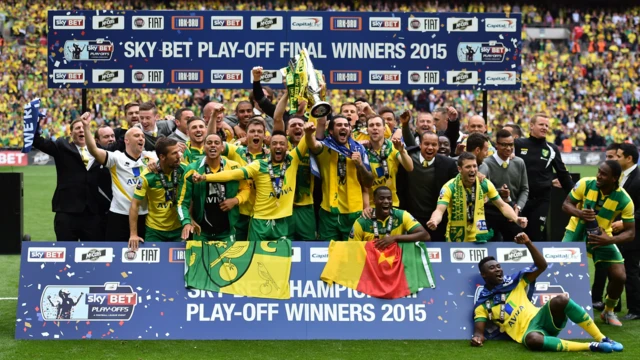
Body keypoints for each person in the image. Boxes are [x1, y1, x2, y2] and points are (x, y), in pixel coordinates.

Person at [472, 232, 623, 353]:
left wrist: (528, 243)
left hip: (542, 317)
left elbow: (542, 266)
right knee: (533, 340)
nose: (498, 269)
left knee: (561, 299)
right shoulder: (483, 305)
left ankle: (602, 339)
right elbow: (479, 332)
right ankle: (591, 346)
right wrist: (477, 339)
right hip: (528, 333)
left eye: (499, 266)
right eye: (492, 268)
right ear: (484, 275)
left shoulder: (514, 282)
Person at [193, 126, 312, 241]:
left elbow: (307, 138)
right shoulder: (259, 165)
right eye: (274, 143)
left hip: (282, 219)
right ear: (269, 147)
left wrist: (310, 126)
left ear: (287, 147)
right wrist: (205, 177)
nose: (278, 146)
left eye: (282, 144)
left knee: (281, 259)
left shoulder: (293, 159)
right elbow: (232, 174)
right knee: (255, 258)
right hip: (259, 221)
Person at [562, 160, 635, 326]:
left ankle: (608, 311)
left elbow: (631, 233)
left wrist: (609, 240)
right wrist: (580, 213)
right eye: (599, 171)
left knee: (619, 276)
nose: (598, 176)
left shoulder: (625, 200)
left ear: (614, 178)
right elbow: (566, 205)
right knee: (563, 269)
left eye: (604, 174)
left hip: (602, 236)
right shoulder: (585, 184)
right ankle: (562, 309)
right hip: (575, 230)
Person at [83, 113, 155, 242]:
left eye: (143, 136)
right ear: (126, 140)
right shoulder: (116, 158)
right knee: (115, 255)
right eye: (137, 135)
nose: (141, 138)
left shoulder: (151, 157)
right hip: (119, 215)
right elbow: (93, 150)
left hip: (145, 215)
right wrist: (86, 127)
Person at [427, 152, 528, 242]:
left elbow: (502, 205)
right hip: (456, 238)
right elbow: (439, 210)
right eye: (468, 167)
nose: (472, 170)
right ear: (459, 169)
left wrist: (516, 218)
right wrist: (434, 221)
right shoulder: (449, 187)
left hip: (479, 237)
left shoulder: (485, 184)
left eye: (475, 166)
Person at [33, 113, 103, 241]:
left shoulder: (100, 151)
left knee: (93, 255)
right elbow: (37, 141)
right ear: (71, 134)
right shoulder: (61, 146)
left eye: (83, 127)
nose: (81, 130)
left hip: (92, 213)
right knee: (65, 254)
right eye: (77, 128)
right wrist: (35, 121)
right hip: (67, 211)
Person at [308, 115, 374, 241]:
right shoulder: (325, 147)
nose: (343, 127)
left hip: (354, 212)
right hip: (328, 212)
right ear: (331, 131)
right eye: (339, 125)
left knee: (352, 254)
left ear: (350, 130)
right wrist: (308, 133)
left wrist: (360, 165)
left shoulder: (359, 150)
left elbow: (369, 182)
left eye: (346, 125)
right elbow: (312, 144)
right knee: (327, 253)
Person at [177, 133, 250, 241]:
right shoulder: (192, 170)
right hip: (201, 231)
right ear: (203, 148)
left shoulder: (234, 167)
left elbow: (246, 189)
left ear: (222, 148)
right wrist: (186, 222)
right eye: (209, 143)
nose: (213, 145)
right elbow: (182, 202)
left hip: (227, 231)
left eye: (216, 143)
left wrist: (235, 200)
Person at [516, 114, 574, 241]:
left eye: (547, 125)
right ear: (531, 126)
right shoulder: (518, 144)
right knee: (516, 235)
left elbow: (563, 174)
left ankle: (536, 261)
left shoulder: (552, 149)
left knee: (536, 236)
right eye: (541, 124)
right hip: (519, 199)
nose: (545, 128)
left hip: (541, 200)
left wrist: (575, 196)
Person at [397, 131, 458, 241]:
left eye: (434, 145)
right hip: (411, 218)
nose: (430, 147)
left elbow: (460, 181)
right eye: (426, 144)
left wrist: (478, 176)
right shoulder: (407, 159)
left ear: (438, 146)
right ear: (420, 145)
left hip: (437, 220)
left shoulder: (448, 164)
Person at [273, 93, 317, 240]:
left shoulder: (311, 143)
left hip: (306, 206)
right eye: (293, 125)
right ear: (286, 131)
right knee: (284, 246)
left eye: (300, 125)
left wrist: (316, 95)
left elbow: (315, 120)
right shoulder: (281, 145)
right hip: (284, 206)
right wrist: (287, 92)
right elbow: (278, 118)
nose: (297, 127)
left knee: (308, 246)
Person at [129, 138, 186, 250]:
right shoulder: (147, 176)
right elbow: (135, 204)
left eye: (178, 152)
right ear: (162, 157)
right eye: (174, 153)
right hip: (154, 231)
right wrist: (133, 234)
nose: (179, 156)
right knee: (151, 267)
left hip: (179, 228)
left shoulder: (183, 170)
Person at [483, 129, 529, 242]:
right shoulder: (486, 164)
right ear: (496, 145)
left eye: (510, 145)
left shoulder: (519, 163)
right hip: (490, 211)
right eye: (504, 145)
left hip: (512, 210)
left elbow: (525, 189)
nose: (508, 148)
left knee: (517, 245)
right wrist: (499, 192)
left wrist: (518, 207)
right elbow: (483, 191)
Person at [593, 144, 621, 310]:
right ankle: (596, 299)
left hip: (615, 230)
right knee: (601, 268)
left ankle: (613, 307)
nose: (608, 159)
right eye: (607, 156)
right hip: (601, 231)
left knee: (619, 271)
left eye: (612, 157)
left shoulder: (628, 181)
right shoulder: (593, 184)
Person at [349, 186, 430, 245]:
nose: (386, 201)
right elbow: (351, 248)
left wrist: (395, 238)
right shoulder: (362, 221)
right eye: (381, 198)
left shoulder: (402, 215)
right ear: (374, 200)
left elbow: (425, 236)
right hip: (371, 264)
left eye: (389, 198)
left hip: (396, 262)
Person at [364, 114, 413, 208]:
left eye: (378, 125)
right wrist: (366, 207)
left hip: (392, 203)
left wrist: (402, 151)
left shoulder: (393, 146)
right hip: (371, 206)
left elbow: (410, 167)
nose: (375, 128)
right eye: (371, 125)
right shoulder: (363, 150)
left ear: (384, 129)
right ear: (367, 130)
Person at [615, 144, 640, 320]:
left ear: (628, 158)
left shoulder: (638, 178)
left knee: (631, 269)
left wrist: (624, 223)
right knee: (617, 267)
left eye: (618, 156)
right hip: (618, 230)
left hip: (633, 232)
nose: (616, 159)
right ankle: (614, 304)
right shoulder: (622, 176)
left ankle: (635, 309)